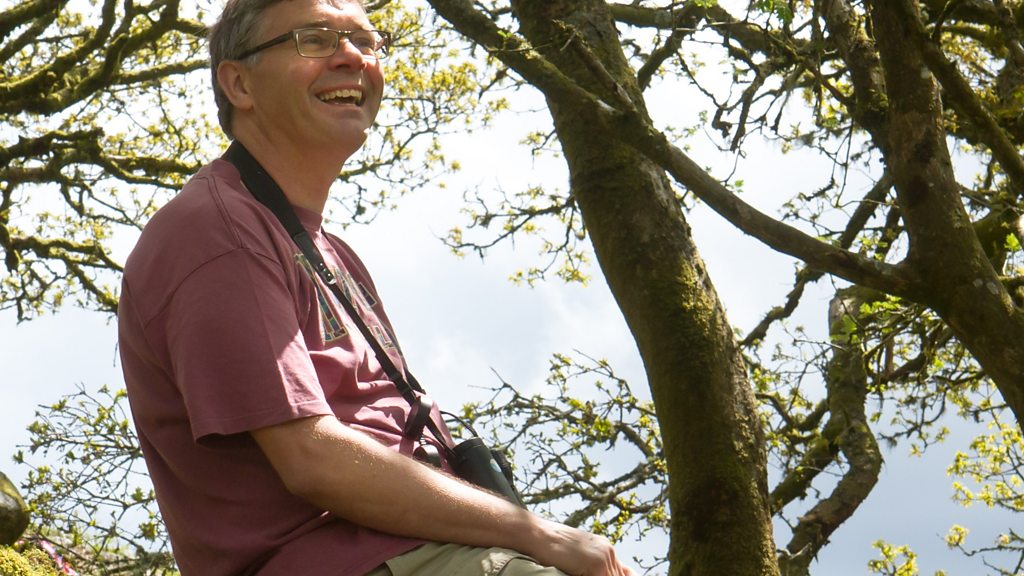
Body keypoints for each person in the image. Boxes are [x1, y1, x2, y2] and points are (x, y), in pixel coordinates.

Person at [117, 0, 638, 575]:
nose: (351, 57)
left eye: (365, 41)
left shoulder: (334, 255)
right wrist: (536, 533)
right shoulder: (219, 231)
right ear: (239, 83)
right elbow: (312, 458)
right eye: (315, 39)